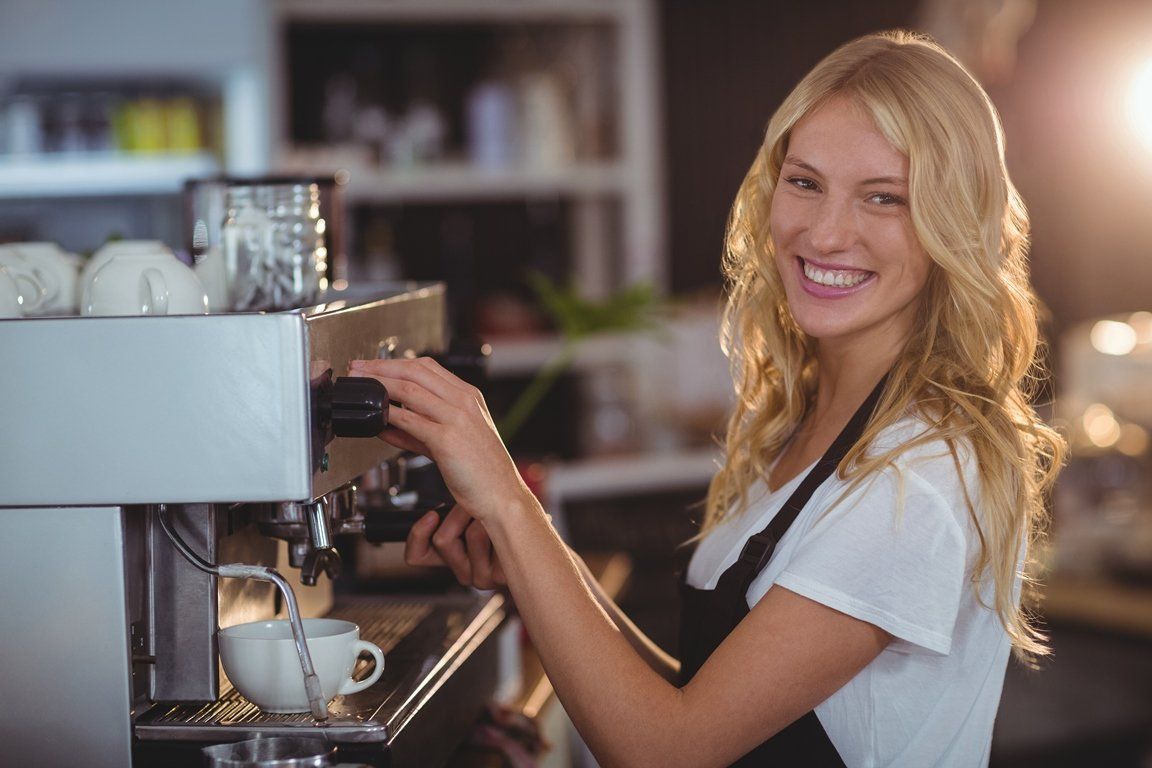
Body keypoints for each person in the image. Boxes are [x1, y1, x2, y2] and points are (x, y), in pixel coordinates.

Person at [349, 29, 1065, 768]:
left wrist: (506, 498)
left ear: (953, 223)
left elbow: (668, 750)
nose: (824, 232)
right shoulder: (819, 417)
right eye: (806, 181)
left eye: (883, 198)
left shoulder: (918, 476)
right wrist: (536, 565)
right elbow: (703, 703)